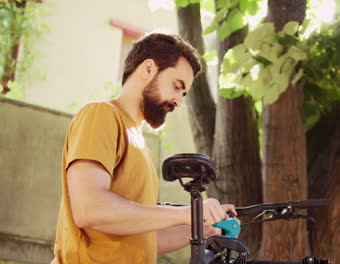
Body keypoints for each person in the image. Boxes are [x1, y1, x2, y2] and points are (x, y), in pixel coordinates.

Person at [51, 33, 236, 264]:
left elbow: (145, 240)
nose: (178, 101)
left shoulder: (142, 147)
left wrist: (204, 226)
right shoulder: (101, 115)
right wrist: (185, 213)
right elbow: (90, 209)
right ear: (148, 69)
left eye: (183, 93)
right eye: (176, 86)